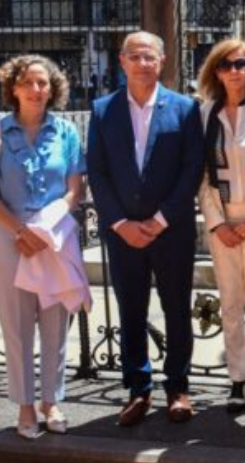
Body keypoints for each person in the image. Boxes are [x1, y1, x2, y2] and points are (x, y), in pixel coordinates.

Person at [87, 32, 204, 426]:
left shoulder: (185, 109)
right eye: (134, 56)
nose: (142, 63)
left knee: (176, 309)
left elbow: (192, 169)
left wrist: (159, 219)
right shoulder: (102, 110)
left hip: (171, 229)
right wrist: (120, 223)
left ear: (162, 60)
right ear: (122, 61)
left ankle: (178, 387)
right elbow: (97, 171)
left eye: (149, 56)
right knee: (131, 310)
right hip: (123, 233)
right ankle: (138, 389)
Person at [0, 55, 86, 438]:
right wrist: (20, 230)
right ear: (14, 88)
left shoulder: (67, 131)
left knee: (55, 323)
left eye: (44, 83)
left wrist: (46, 229)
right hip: (10, 239)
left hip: (54, 238)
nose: (38, 90)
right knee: (17, 326)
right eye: (30, 83)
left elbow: (75, 189)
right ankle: (24, 406)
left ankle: (51, 401)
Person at [195, 39, 245, 414]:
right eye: (226, 65)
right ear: (216, 71)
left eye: (242, 64)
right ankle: (236, 379)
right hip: (222, 221)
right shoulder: (205, 113)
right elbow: (200, 176)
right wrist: (216, 224)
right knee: (230, 302)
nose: (234, 72)